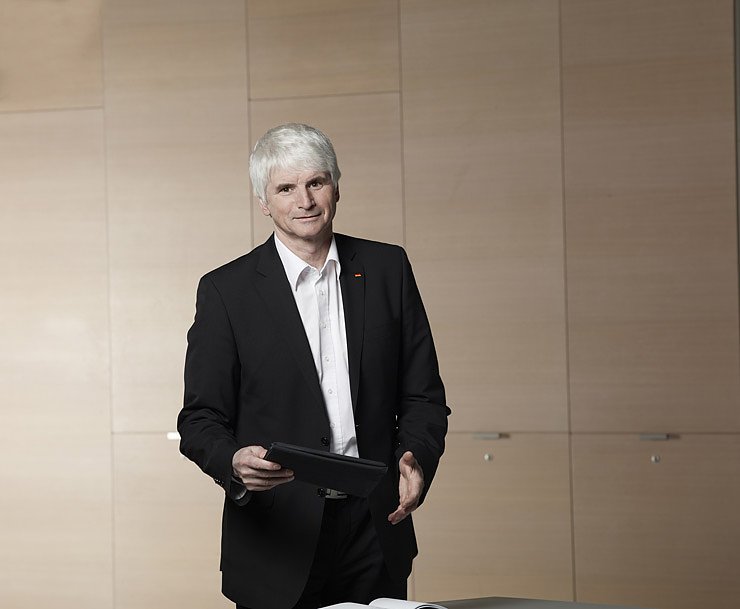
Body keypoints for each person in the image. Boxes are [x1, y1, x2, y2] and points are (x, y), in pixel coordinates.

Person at [177, 123, 449, 609]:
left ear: (336, 187)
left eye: (315, 182)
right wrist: (233, 461)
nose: (304, 200)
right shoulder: (226, 291)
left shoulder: (388, 268)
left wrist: (417, 456)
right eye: (285, 188)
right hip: (276, 537)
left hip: (374, 530)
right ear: (264, 202)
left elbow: (423, 396)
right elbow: (199, 420)